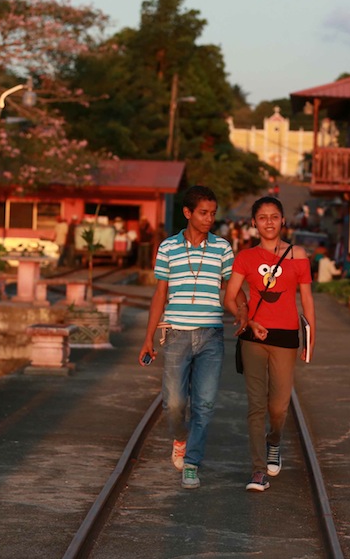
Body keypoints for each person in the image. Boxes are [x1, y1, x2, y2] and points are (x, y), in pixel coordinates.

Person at [138, 186, 248, 490]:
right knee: (173, 403)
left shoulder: (223, 248)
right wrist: (148, 338)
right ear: (187, 213)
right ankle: (181, 438)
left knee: (206, 404)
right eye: (203, 213)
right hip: (175, 334)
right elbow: (160, 293)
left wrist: (243, 310)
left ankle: (192, 462)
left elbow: (233, 287)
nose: (209, 218)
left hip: (212, 336)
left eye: (213, 213)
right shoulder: (167, 248)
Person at [224, 196, 315, 492]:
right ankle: (257, 470)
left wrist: (310, 339)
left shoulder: (297, 254)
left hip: (286, 338)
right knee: (255, 406)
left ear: (283, 220)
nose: (269, 222)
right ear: (253, 223)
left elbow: (307, 299)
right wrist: (248, 321)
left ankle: (274, 441)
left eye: (274, 216)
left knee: (278, 407)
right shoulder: (245, 258)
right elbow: (230, 296)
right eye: (262, 217)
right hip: (253, 337)